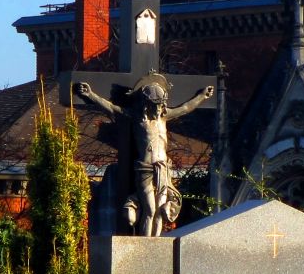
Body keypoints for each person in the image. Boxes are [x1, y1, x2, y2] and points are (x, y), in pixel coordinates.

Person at [76, 76, 214, 236]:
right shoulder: (137, 119)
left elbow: (185, 108)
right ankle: (145, 244)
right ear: (145, 104)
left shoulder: (163, 117)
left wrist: (201, 96)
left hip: (163, 169)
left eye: (160, 105)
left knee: (161, 210)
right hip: (145, 170)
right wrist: (90, 95)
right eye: (155, 105)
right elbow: (112, 108)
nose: (158, 109)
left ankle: (156, 246)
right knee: (150, 209)